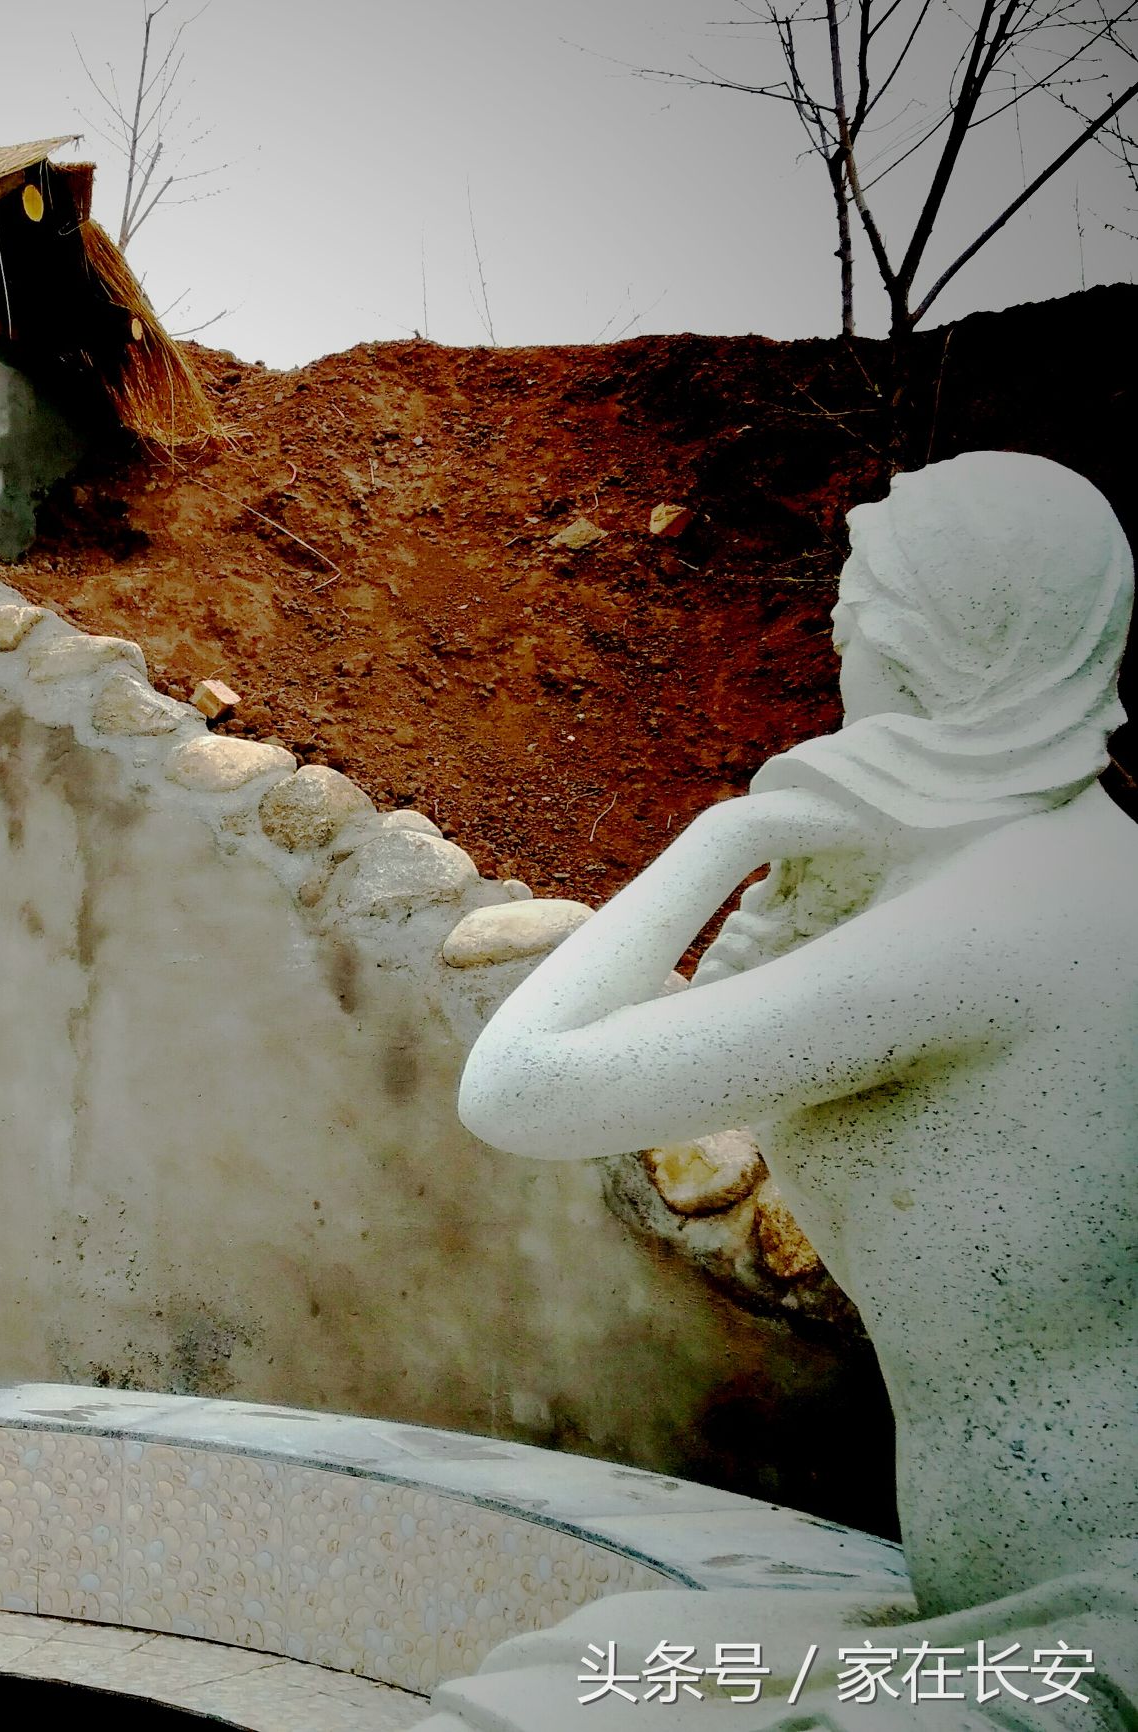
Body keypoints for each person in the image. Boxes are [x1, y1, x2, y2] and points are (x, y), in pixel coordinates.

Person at [440, 451, 1135, 1731]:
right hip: (999, 1615)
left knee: (517, 1715)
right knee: (577, 1662)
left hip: (1089, 1644)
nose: (837, 672)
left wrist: (727, 834)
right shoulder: (1053, 868)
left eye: (846, 631)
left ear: (921, 656)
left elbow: (516, 1088)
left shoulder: (998, 920)